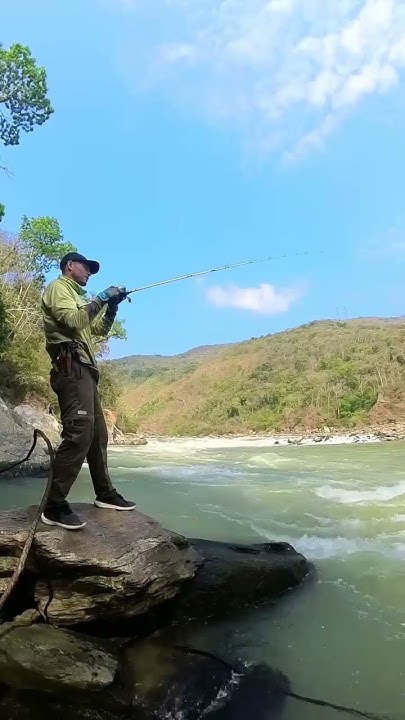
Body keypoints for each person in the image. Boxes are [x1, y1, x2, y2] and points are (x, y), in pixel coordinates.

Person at [40, 251, 136, 530]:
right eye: (86, 267)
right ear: (70, 266)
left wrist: (113, 307)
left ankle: (105, 494)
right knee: (80, 432)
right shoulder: (58, 288)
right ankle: (54, 506)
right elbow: (74, 322)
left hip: (85, 373)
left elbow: (97, 331)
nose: (90, 273)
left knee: (97, 436)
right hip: (71, 369)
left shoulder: (77, 298)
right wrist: (102, 297)